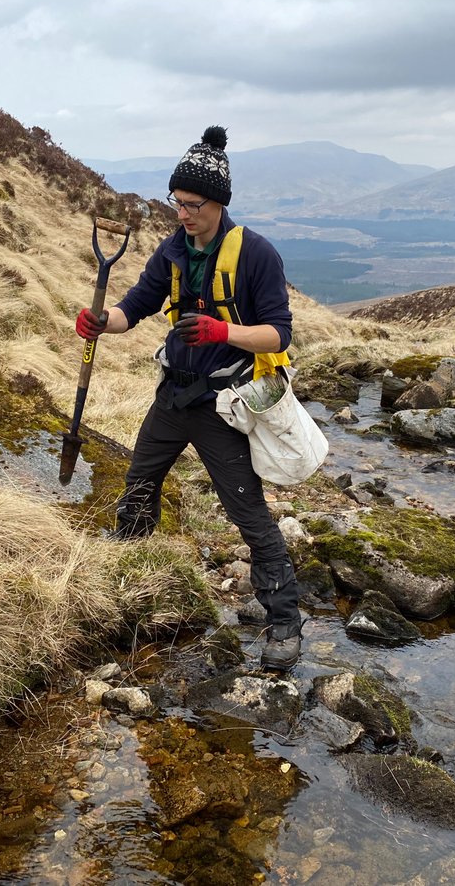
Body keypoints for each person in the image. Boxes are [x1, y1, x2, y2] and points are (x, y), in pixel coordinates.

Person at [74, 126, 302, 670]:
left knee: (248, 513)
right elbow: (138, 307)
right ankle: (131, 581)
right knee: (139, 484)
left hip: (223, 407)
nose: (182, 214)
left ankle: (285, 621)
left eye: (193, 205)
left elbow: (279, 334)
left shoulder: (256, 255)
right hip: (172, 397)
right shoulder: (172, 250)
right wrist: (104, 322)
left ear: (219, 203)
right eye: (177, 203)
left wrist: (225, 334)